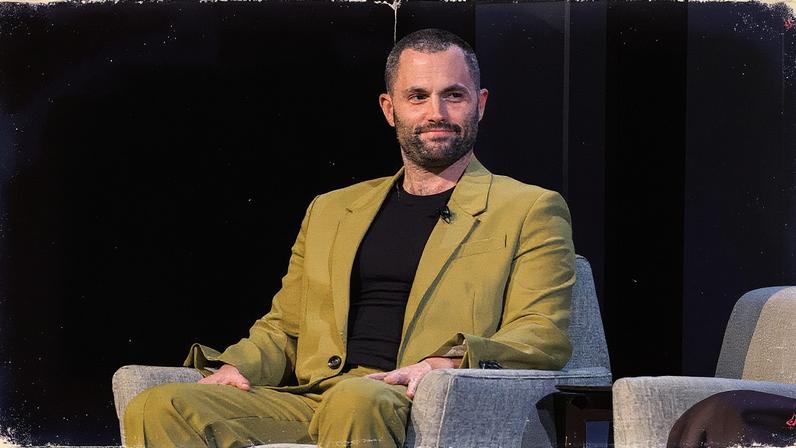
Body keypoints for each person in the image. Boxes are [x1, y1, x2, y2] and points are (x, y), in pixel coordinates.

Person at [123, 28, 576, 448]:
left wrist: (449, 363)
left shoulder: (528, 207)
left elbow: (542, 334)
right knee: (159, 407)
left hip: (409, 397)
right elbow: (286, 326)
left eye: (452, 96)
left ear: (480, 104)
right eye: (417, 96)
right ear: (389, 108)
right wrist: (240, 366)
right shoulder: (333, 209)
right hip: (316, 395)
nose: (436, 113)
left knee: (356, 399)